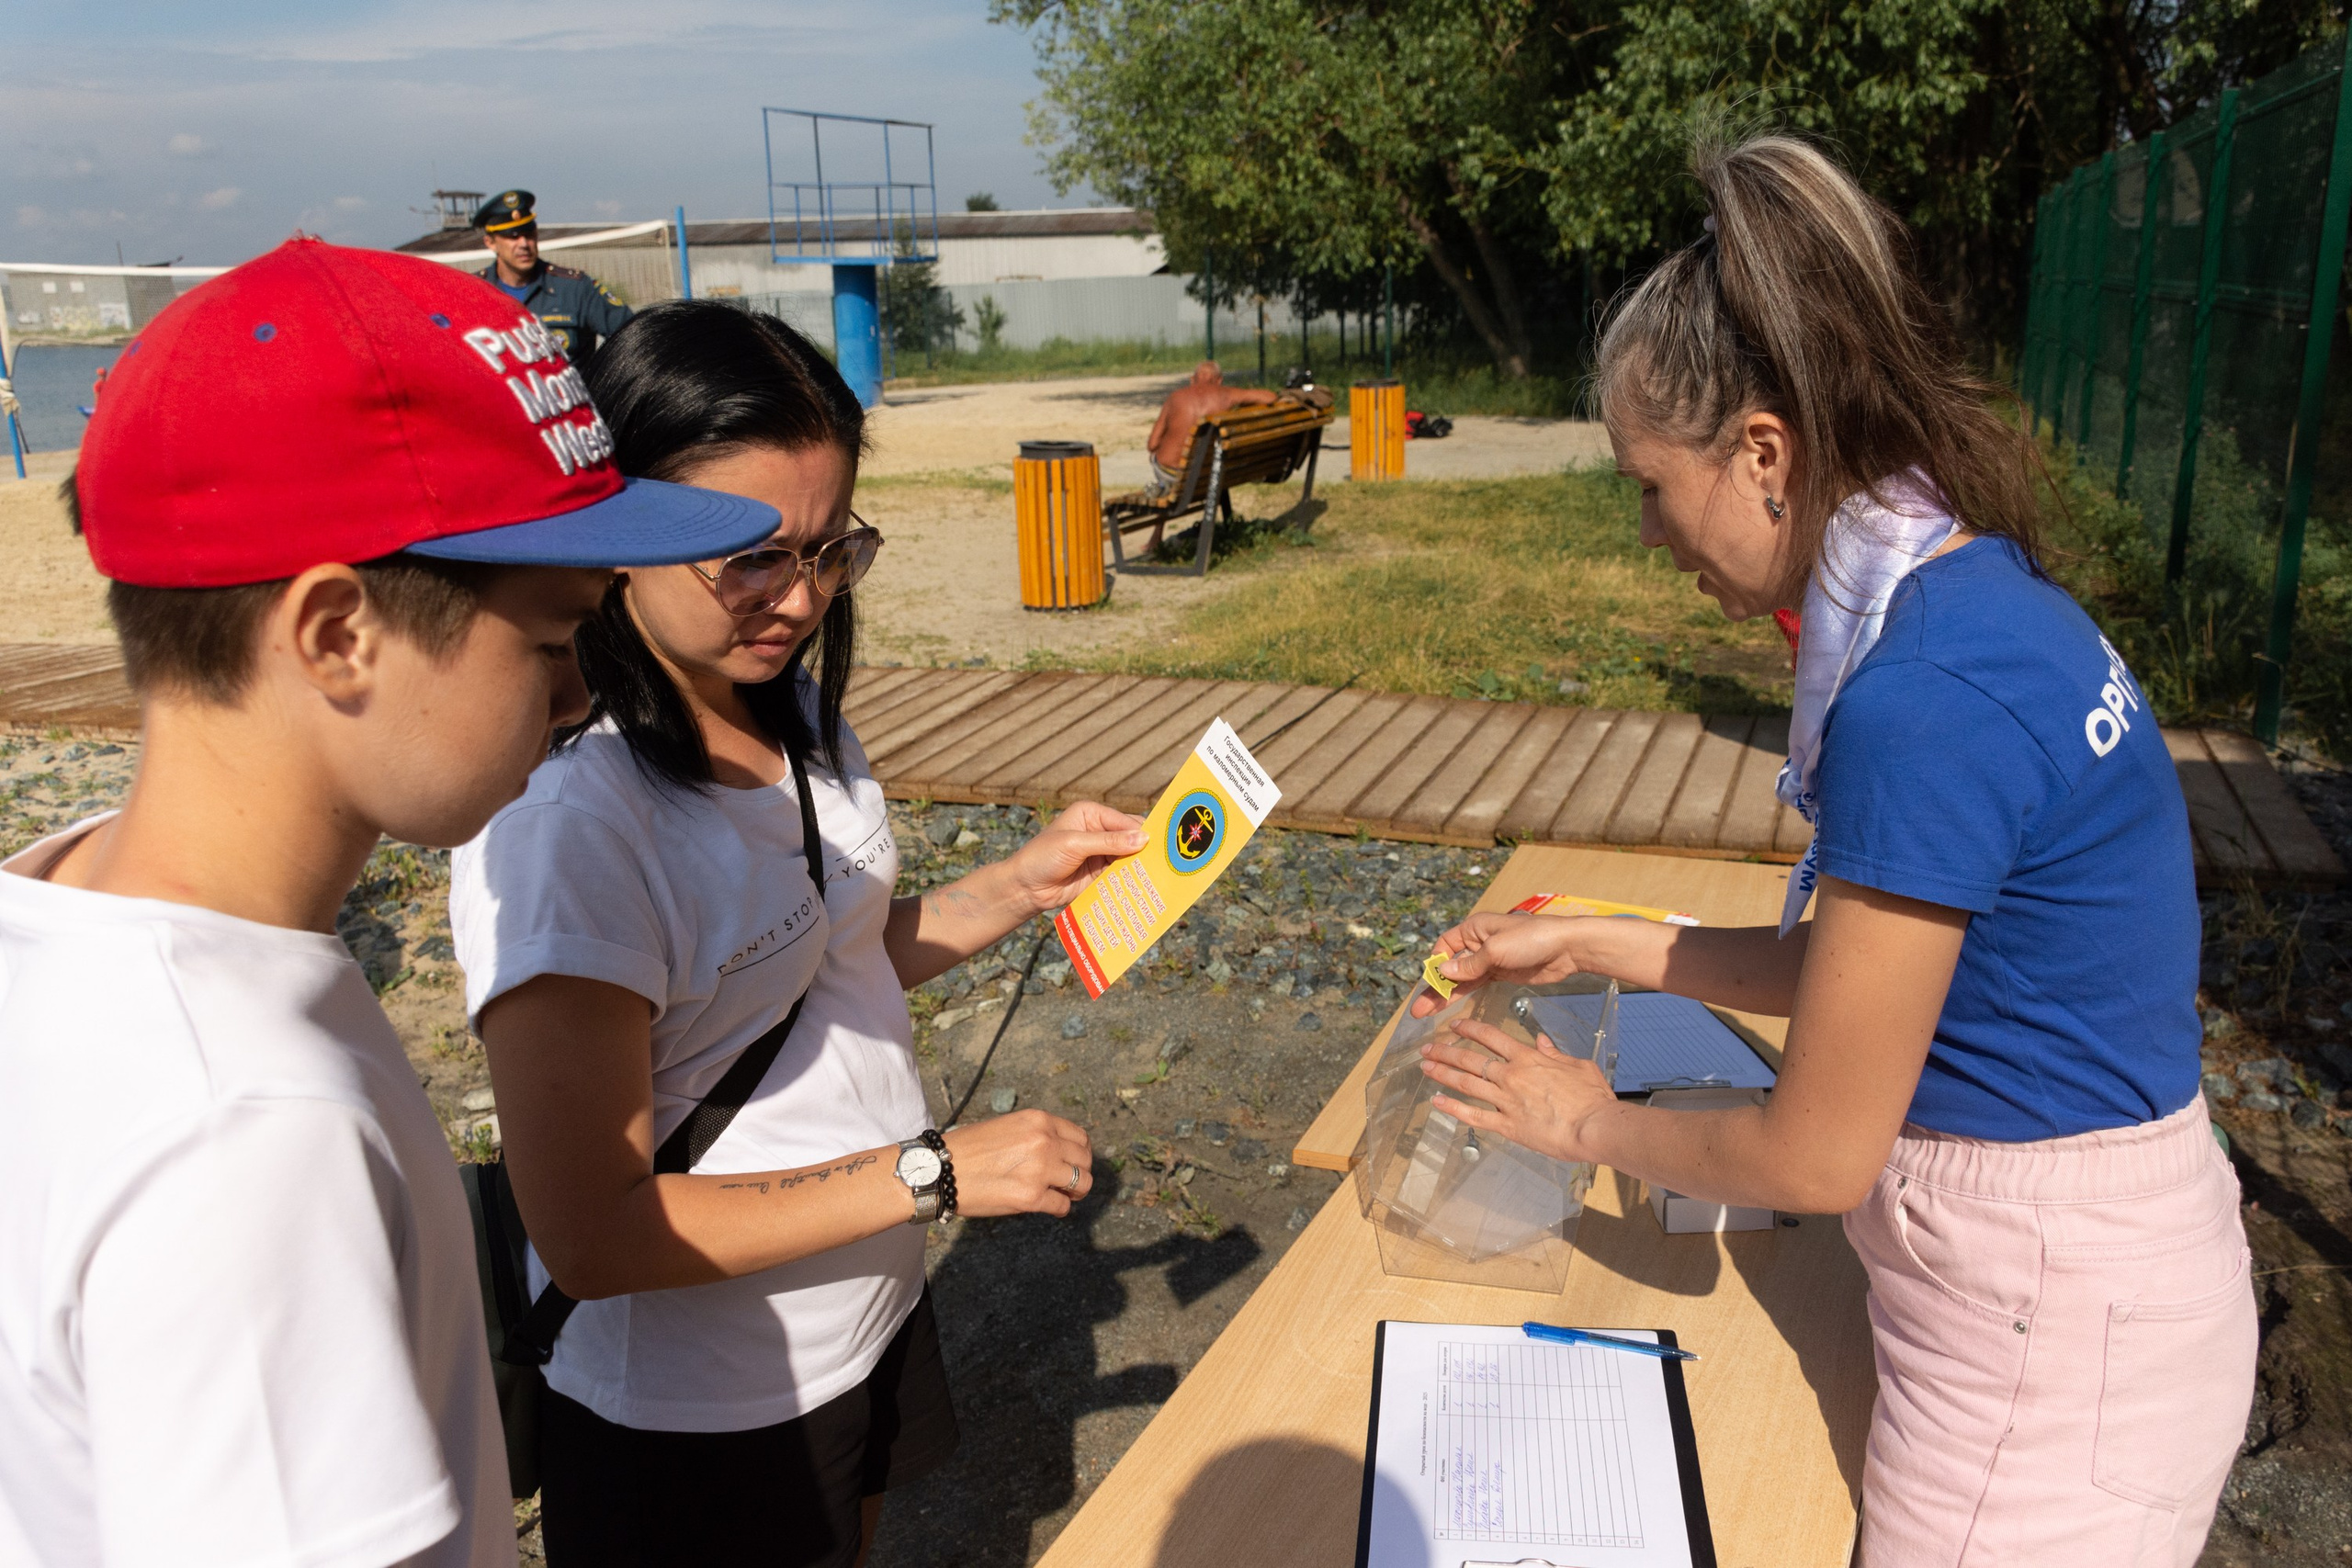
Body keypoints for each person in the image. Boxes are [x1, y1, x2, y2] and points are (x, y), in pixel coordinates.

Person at [1416, 135, 2255, 1566]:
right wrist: (1604, 937)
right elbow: (1867, 975)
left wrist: (1577, 1119)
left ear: (1762, 453)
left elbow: (1812, 1147)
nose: (1648, 533)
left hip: (2050, 1336)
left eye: (1648, 485)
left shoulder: (1919, 702)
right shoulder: (1964, 585)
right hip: (2084, 1275)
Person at [0, 239, 779, 1565]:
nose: (583, 692)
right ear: (336, 634)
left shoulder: (58, 913)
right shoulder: (245, 1133)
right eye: (549, 638)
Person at [448, 299, 1144, 1568]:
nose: (799, 596)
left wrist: (1022, 880)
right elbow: (593, 1231)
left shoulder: (787, 702)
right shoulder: (569, 822)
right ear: (623, 526)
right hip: (704, 1405)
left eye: (830, 550)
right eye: (750, 556)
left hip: (863, 1316)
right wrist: (931, 1174)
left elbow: (827, 954)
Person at [477, 188, 634, 372]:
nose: (524, 244)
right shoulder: (471, 292)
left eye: (528, 234)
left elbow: (633, 337)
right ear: (490, 242)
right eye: (513, 236)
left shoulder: (575, 288)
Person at [1138, 360, 1283, 549]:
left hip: (1174, 476)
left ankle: (1156, 537)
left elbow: (1152, 444)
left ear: (1192, 380)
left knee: (1160, 464)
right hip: (1212, 473)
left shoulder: (1175, 397)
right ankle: (1157, 536)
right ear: (1219, 380)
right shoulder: (1227, 395)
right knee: (1204, 460)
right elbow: (1270, 397)